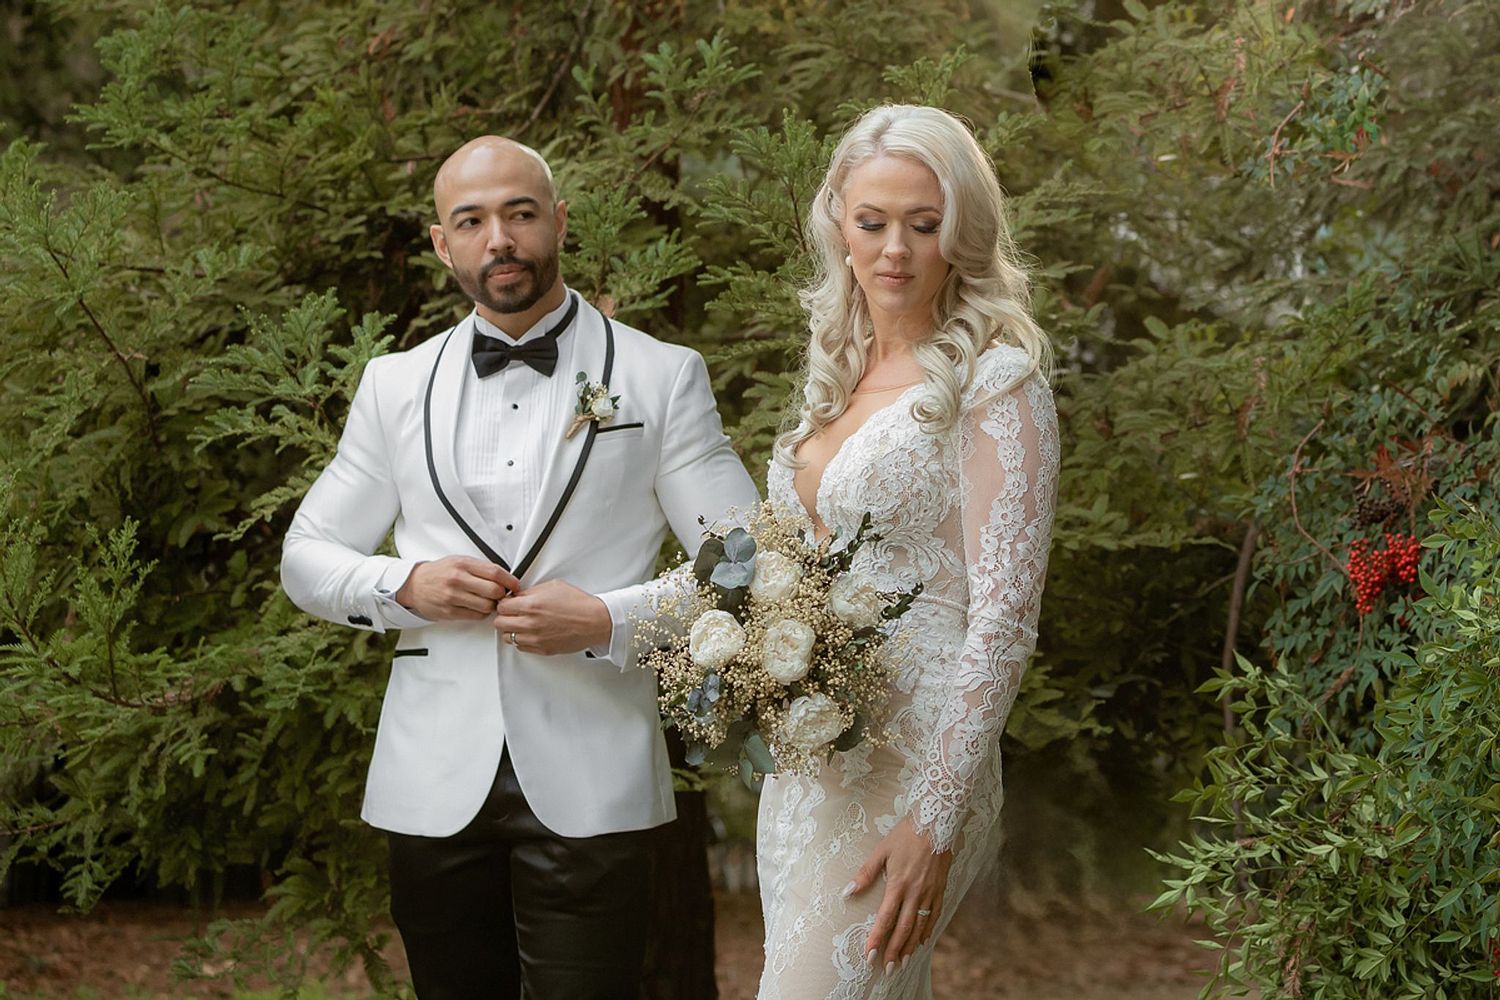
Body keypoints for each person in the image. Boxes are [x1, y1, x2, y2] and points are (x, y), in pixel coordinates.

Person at [280, 135, 758, 999]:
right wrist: (403, 587)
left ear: (558, 223)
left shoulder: (659, 376)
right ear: (443, 243)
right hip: (430, 782)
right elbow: (305, 557)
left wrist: (610, 617)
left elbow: (748, 562)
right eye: (472, 220)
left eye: (520, 213)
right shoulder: (393, 386)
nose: (499, 237)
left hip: (595, 770)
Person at [755, 105, 1060, 999]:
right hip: (814, 768)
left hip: (919, 765)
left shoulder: (996, 381)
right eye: (873, 222)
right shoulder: (835, 377)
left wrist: (937, 818)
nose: (896, 249)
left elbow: (1003, 623)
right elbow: (772, 567)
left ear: (960, 234)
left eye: (924, 226)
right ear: (839, 226)